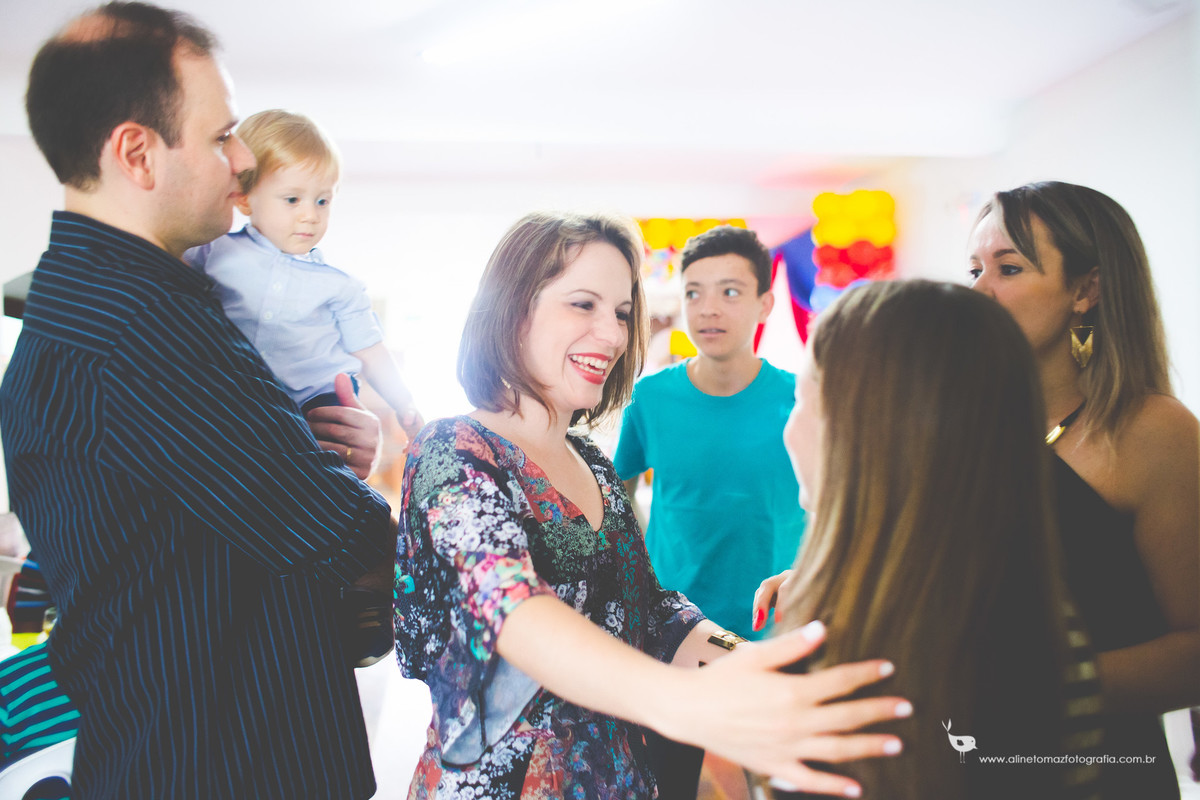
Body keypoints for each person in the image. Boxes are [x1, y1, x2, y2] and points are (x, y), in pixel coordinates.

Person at [0, 3, 394, 797]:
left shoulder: (90, 305)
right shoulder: (140, 323)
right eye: (221, 137)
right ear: (136, 153)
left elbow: (192, 523)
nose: (243, 161)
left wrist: (306, 447)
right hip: (218, 766)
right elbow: (340, 534)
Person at [394, 212, 913, 800]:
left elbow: (651, 611)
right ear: (514, 311)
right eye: (583, 305)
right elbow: (507, 606)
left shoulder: (591, 463)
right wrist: (685, 703)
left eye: (621, 313)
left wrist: (752, 662)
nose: (614, 335)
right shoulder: (452, 451)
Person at [760, 280, 1104, 799]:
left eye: (801, 399)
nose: (789, 429)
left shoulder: (862, 660)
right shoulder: (1048, 623)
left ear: (860, 432)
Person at [967, 181, 1199, 798]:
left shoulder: (1151, 431)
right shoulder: (962, 427)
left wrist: (1028, 686)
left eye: (1008, 268)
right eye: (974, 270)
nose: (980, 292)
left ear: (1085, 290)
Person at [613, 224, 807, 797]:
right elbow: (613, 499)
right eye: (694, 292)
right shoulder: (651, 398)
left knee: (769, 781)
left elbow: (841, 504)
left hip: (774, 626)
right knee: (675, 780)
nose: (708, 309)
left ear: (765, 303)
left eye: (730, 291)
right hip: (674, 626)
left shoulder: (802, 398)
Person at [184, 109, 424, 441]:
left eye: (322, 201)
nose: (310, 215)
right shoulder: (213, 252)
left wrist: (404, 402)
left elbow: (371, 353)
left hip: (314, 402)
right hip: (233, 396)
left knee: (332, 435)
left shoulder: (341, 286)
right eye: (293, 199)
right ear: (244, 198)